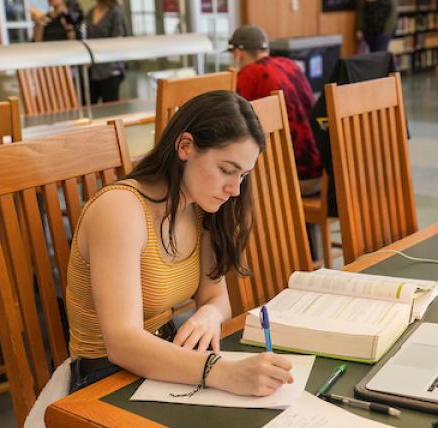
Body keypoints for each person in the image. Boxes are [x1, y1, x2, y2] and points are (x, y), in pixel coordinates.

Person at [66, 91, 294, 397]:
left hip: (164, 357)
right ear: (185, 147)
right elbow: (121, 344)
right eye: (226, 170)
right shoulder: (120, 209)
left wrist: (209, 315)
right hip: (105, 379)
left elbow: (216, 297)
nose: (235, 189)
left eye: (243, 175)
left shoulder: (201, 206)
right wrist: (223, 372)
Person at [228, 25, 322, 197]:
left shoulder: (250, 74)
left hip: (296, 179)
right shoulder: (289, 64)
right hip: (320, 169)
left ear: (238, 54)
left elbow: (233, 123)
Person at [85, 0, 126, 103]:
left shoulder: (115, 12)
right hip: (93, 68)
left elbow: (118, 39)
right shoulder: (90, 13)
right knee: (90, 104)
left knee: (110, 107)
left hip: (110, 69)